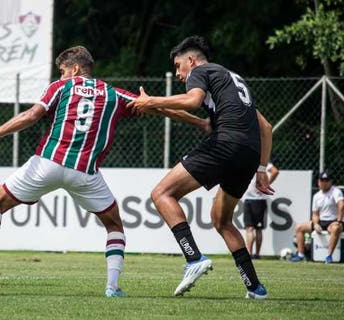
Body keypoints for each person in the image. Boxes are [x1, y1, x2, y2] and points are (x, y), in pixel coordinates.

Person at [0, 46, 139, 297]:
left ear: (76, 69)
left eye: (62, 71)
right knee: (114, 226)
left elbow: (31, 115)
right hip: (85, 172)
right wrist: (195, 118)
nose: (60, 76)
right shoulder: (113, 93)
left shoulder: (60, 88)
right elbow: (152, 105)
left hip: (48, 163)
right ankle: (112, 288)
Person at [127, 35, 274, 299]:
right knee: (222, 220)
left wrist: (152, 100)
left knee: (161, 194)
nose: (178, 73)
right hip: (249, 154)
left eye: (178, 66)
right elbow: (265, 127)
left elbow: (192, 101)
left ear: (191, 60)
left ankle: (193, 258)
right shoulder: (230, 79)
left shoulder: (201, 71)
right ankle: (255, 287)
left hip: (225, 145)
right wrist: (261, 169)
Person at [290, 170, 344, 263]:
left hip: (333, 221)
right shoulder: (317, 195)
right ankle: (301, 254)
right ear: (318, 182)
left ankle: (329, 256)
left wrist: (339, 220)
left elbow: (341, 205)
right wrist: (315, 224)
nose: (324, 183)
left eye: (326, 180)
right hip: (321, 221)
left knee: (335, 228)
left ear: (331, 181)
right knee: (299, 227)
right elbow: (315, 214)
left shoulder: (336, 191)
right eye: (322, 180)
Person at [242, 163, 279, 259]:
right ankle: (255, 254)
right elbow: (275, 171)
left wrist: (265, 185)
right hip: (253, 199)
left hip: (255, 199)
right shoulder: (262, 162)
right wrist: (266, 185)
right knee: (255, 228)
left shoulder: (258, 161)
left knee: (251, 229)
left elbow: (275, 171)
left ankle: (250, 254)